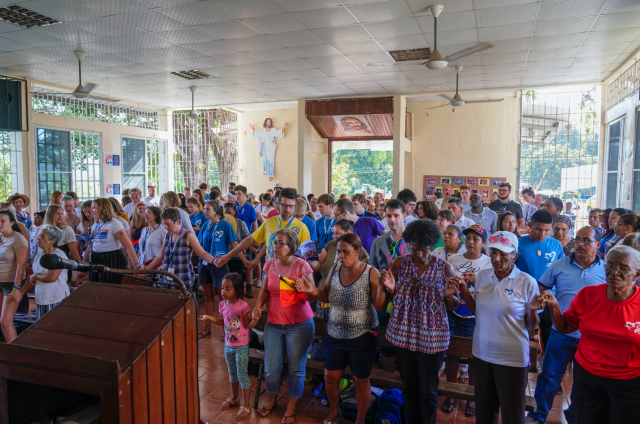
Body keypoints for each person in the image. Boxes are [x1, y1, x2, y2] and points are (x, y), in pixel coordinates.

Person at [540, 246, 640, 424]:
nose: (614, 272)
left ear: (637, 274)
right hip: (589, 377)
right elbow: (565, 328)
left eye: (623, 267)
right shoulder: (588, 295)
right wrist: (554, 307)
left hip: (629, 382)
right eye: (610, 265)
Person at [297, 233, 387, 424]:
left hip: (362, 336)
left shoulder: (370, 272)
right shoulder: (335, 270)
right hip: (335, 334)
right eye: (338, 252)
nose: (340, 256)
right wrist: (312, 290)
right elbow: (327, 296)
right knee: (330, 377)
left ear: (357, 251)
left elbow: (379, 306)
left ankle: (360, 419)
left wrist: (382, 286)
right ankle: (334, 412)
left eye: (346, 252)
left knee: (361, 381)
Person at [456, 231, 541, 424]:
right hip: (482, 352)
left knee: (513, 415)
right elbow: (479, 312)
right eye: (493, 252)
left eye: (503, 254)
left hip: (512, 357)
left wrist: (533, 311)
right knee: (485, 413)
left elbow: (531, 325)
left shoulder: (527, 282)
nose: (496, 258)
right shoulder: (483, 276)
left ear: (515, 256)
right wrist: (464, 292)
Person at [380, 219, 460, 424]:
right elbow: (394, 296)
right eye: (414, 249)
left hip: (432, 338)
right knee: (409, 389)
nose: (418, 254)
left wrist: (450, 295)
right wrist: (390, 288)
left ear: (431, 245)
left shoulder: (445, 268)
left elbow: (453, 306)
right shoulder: (400, 263)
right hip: (404, 334)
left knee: (428, 392)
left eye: (422, 249)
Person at [525, 227, 605, 424]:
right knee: (550, 376)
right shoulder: (559, 265)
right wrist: (540, 301)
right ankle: (538, 415)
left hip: (589, 337)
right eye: (577, 240)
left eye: (586, 240)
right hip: (560, 331)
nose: (580, 244)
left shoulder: (606, 270)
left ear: (598, 244)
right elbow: (540, 288)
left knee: (584, 381)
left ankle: (575, 417)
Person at [252, 229, 315, 424]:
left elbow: (312, 296)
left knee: (296, 368)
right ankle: (272, 399)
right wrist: (258, 305)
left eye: (280, 243)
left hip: (299, 325)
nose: (275, 246)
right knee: (271, 367)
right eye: (274, 243)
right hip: (273, 323)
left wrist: (305, 289)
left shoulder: (302, 266)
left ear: (292, 247)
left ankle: (291, 406)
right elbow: (265, 290)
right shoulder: (269, 263)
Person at [440, 224, 491, 417]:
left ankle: (471, 397)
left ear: (483, 243)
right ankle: (451, 394)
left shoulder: (488, 263)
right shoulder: (453, 259)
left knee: (474, 358)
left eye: (475, 239)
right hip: (454, 314)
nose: (470, 242)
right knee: (452, 354)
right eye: (468, 238)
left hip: (476, 316)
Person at [198, 273, 259, 420]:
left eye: (228, 288)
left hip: (241, 347)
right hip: (228, 346)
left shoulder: (243, 306)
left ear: (237, 290)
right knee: (232, 374)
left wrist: (256, 318)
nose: (223, 291)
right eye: (223, 288)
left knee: (242, 376)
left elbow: (248, 325)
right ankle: (234, 398)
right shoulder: (222, 305)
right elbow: (223, 322)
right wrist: (209, 317)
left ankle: (246, 406)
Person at [516, 210, 564, 353]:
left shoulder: (556, 245)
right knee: (522, 330)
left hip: (549, 297)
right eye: (538, 229)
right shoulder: (519, 243)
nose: (542, 234)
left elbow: (560, 272)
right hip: (523, 296)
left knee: (548, 333)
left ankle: (546, 361)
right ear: (530, 225)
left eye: (547, 230)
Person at [197, 201, 240, 339]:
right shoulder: (205, 225)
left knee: (223, 298)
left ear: (216, 211)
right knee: (209, 296)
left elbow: (235, 245)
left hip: (220, 265)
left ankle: (227, 329)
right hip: (204, 265)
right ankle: (207, 327)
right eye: (204, 209)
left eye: (208, 209)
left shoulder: (225, 225)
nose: (205, 211)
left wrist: (242, 260)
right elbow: (200, 245)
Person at [145, 208, 215, 291]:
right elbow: (161, 256)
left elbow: (202, 253)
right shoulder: (168, 236)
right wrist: (146, 269)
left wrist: (214, 261)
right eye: (164, 224)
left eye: (168, 224)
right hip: (167, 280)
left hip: (183, 280)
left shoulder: (188, 235)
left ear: (177, 221)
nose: (165, 227)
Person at [310, 219, 369, 318]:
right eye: (333, 233)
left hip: (344, 298)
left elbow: (361, 271)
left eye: (337, 233)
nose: (334, 236)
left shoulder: (357, 249)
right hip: (324, 293)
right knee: (323, 325)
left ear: (348, 233)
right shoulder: (331, 244)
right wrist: (311, 260)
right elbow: (318, 266)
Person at [81, 198, 141, 284]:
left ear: (102, 208)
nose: (91, 211)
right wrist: (83, 265)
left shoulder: (114, 223)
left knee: (108, 290)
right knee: (94, 288)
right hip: (96, 259)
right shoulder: (96, 224)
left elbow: (128, 245)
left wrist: (136, 265)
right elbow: (90, 245)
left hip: (111, 259)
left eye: (94, 208)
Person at [18, 225, 70, 320]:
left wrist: (36, 276)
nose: (39, 238)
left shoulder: (58, 255)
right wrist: (20, 293)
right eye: (39, 235)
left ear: (53, 240)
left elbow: (52, 278)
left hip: (55, 299)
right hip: (41, 299)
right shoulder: (39, 255)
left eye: (43, 236)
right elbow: (32, 279)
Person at [0, 209, 28, 343]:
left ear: (11, 222)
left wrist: (16, 287)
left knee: (6, 322)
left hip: (11, 284)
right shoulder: (1, 237)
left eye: (2, 221)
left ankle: (14, 354)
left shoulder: (17, 238)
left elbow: (21, 265)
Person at [223, 202, 254, 298]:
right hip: (226, 255)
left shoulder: (241, 223)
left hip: (238, 255)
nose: (228, 215)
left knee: (237, 279)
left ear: (235, 212)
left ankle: (239, 298)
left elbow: (247, 238)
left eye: (230, 212)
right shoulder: (222, 224)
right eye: (226, 213)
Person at [44, 205, 81, 283]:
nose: (60, 216)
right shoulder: (43, 229)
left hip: (62, 266)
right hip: (45, 265)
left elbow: (73, 251)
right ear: (50, 214)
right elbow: (38, 250)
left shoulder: (67, 229)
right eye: (57, 213)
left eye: (62, 213)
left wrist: (80, 269)